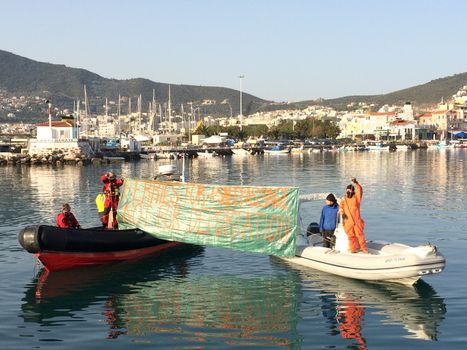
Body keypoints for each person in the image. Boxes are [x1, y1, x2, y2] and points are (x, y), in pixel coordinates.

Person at [339, 178, 368, 253]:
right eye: (347, 190)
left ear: (352, 191)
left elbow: (360, 190)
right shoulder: (344, 199)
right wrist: (342, 214)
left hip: (357, 221)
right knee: (351, 236)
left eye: (349, 190)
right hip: (348, 221)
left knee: (360, 235)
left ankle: (363, 248)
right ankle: (353, 249)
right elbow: (341, 207)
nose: (348, 191)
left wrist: (356, 183)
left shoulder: (356, 198)